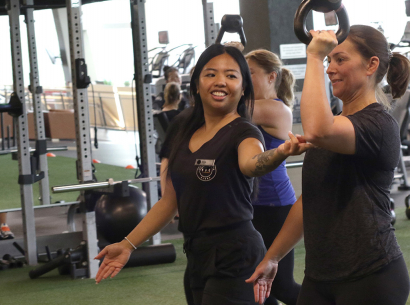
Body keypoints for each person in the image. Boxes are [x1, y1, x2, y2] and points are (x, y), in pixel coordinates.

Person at [95, 44, 311, 305]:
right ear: (196, 83)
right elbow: (169, 201)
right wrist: (128, 244)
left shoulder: (244, 131)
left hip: (236, 253)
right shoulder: (184, 130)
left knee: (283, 287)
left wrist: (280, 153)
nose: (220, 81)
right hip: (196, 253)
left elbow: (252, 164)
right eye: (211, 74)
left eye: (231, 75)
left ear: (244, 89)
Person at [247, 26, 410, 305]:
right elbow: (311, 198)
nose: (329, 68)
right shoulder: (336, 124)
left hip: (371, 276)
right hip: (320, 277)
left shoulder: (378, 123)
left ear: (371, 65)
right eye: (328, 60)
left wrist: (313, 56)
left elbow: (317, 130)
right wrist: (273, 257)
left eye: (340, 60)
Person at [245, 49, 301, 305]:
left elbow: (225, 107)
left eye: (249, 73)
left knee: (282, 287)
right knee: (258, 284)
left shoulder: (275, 110)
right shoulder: (254, 105)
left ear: (271, 77)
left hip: (275, 206)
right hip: (251, 205)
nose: (244, 78)